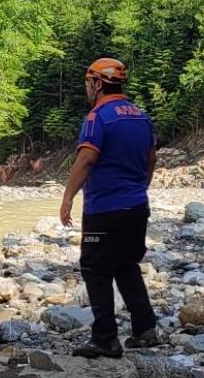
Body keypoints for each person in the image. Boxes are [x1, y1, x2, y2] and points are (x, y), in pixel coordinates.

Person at [59, 57, 159, 358]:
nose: (87, 90)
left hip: (104, 209)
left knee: (96, 268)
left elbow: (87, 158)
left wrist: (67, 197)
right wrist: (140, 188)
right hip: (137, 206)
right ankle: (145, 328)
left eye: (89, 84)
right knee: (126, 265)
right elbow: (151, 159)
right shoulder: (140, 116)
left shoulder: (98, 117)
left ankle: (105, 338)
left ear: (98, 83)